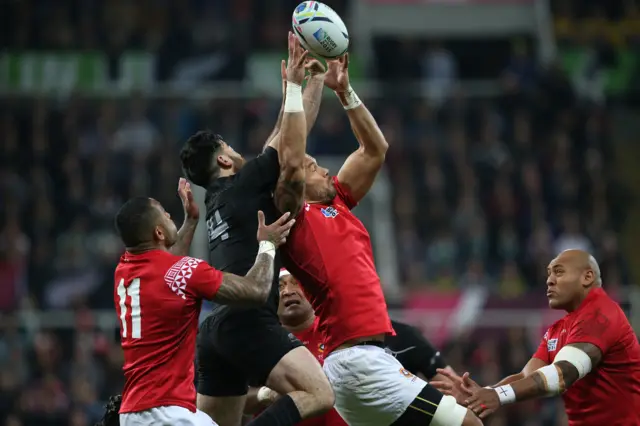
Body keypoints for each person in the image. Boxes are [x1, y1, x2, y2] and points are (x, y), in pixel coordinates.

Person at [280, 54, 481, 426]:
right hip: (359, 362)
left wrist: (346, 93)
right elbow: (287, 157)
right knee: (469, 425)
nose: (323, 168)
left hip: (368, 358)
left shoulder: (337, 201)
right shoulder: (295, 216)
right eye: (312, 167)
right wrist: (297, 88)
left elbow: (375, 149)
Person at [179, 33, 334, 426]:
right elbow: (291, 146)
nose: (237, 151)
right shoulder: (244, 186)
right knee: (319, 392)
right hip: (249, 320)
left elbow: (281, 138)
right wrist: (300, 85)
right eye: (229, 147)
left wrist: (307, 83)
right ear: (223, 159)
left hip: (213, 330)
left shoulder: (222, 198)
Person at [113, 178, 295, 426]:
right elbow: (257, 290)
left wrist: (190, 221)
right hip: (167, 412)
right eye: (166, 215)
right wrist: (267, 245)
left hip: (133, 413)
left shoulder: (124, 270)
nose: (170, 216)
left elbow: (166, 269)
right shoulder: (186, 271)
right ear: (158, 232)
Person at [435, 249, 640, 425]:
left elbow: (562, 374)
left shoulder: (601, 314)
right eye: (549, 273)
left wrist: (498, 395)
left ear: (587, 277)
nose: (549, 280)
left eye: (559, 272)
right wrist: (481, 394)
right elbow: (527, 376)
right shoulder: (557, 329)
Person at [245, 269, 461, 426]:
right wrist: (266, 394)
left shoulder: (351, 335)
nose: (288, 291)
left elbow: (450, 384)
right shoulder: (259, 344)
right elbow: (233, 400)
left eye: (296, 283)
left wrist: (426, 395)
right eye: (280, 286)